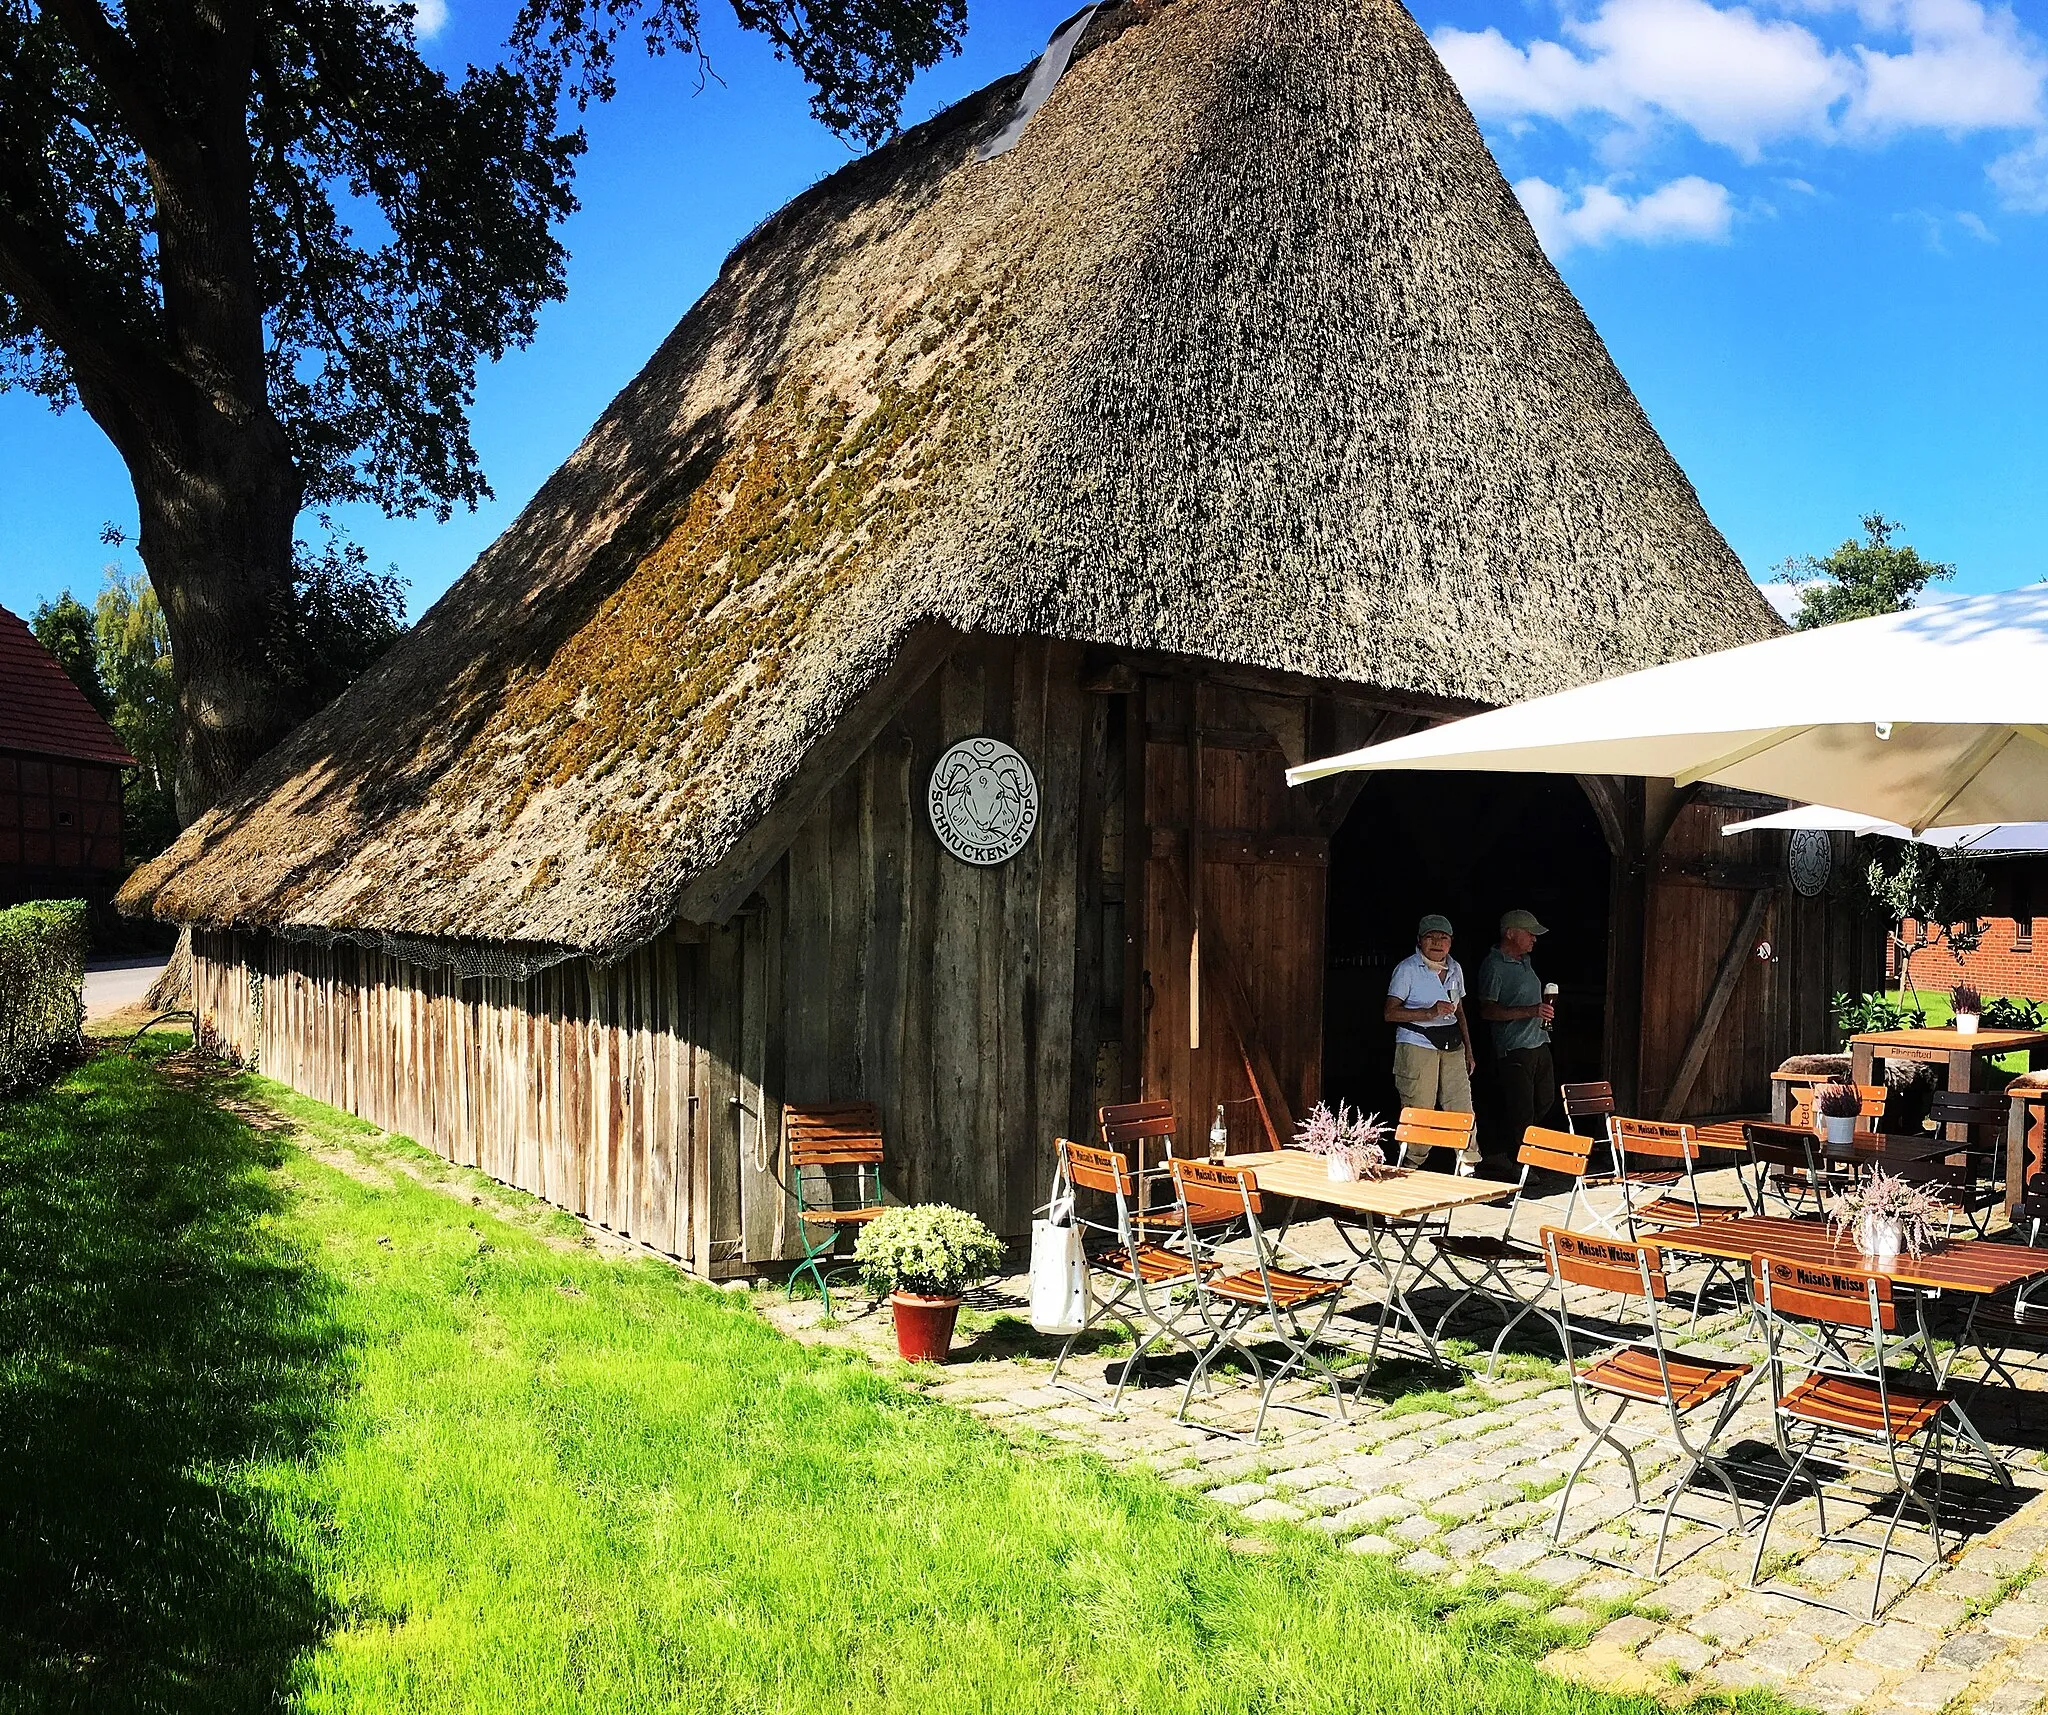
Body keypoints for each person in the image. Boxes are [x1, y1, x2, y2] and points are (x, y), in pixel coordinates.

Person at [1384, 914, 1479, 1168]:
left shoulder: (1455, 968)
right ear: (1419, 940)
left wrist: (1469, 1050)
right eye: (1430, 937)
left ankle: (1468, 1165)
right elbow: (1390, 1012)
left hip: (1452, 1045)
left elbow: (1460, 1011)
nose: (1437, 942)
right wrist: (1429, 1013)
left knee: (1461, 1105)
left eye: (1443, 938)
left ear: (1451, 943)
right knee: (1419, 1106)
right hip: (1417, 1042)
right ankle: (1412, 1164)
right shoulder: (1407, 969)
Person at [1477, 909, 1557, 1159]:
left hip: (1539, 1041)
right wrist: (1530, 1010)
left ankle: (1507, 1154)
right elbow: (1487, 1011)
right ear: (1510, 933)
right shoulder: (1493, 966)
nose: (1534, 938)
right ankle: (1520, 1163)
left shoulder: (1525, 961)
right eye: (1530, 933)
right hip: (1514, 1047)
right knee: (1521, 1109)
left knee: (1545, 1099)